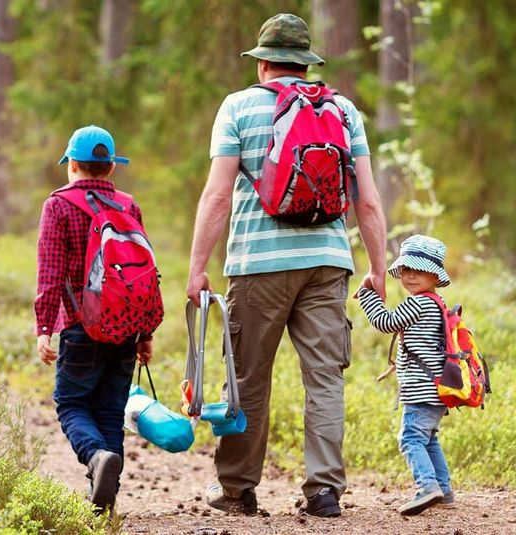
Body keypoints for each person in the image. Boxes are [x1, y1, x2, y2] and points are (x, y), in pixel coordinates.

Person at [186, 13, 387, 517]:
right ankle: (324, 491)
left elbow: (217, 196)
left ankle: (237, 489)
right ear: (305, 63)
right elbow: (367, 201)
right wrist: (378, 268)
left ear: (264, 65)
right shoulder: (342, 109)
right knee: (324, 378)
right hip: (328, 262)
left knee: (249, 378)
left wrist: (197, 267)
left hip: (258, 265)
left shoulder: (237, 107)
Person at [34, 125, 154, 514]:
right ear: (111, 169)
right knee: (108, 411)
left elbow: (50, 273)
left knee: (70, 403)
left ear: (71, 165)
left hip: (79, 327)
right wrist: (145, 332)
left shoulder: (58, 205)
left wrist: (44, 329)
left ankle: (95, 458)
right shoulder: (128, 205)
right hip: (126, 328)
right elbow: (144, 274)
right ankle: (105, 503)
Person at [356, 235, 455, 515]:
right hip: (437, 389)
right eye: (406, 270)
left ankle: (427, 486)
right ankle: (444, 490)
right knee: (428, 438)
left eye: (419, 271)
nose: (411, 276)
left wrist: (367, 293)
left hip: (421, 390)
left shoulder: (419, 303)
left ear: (434, 275)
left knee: (410, 438)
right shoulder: (437, 302)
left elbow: (385, 322)